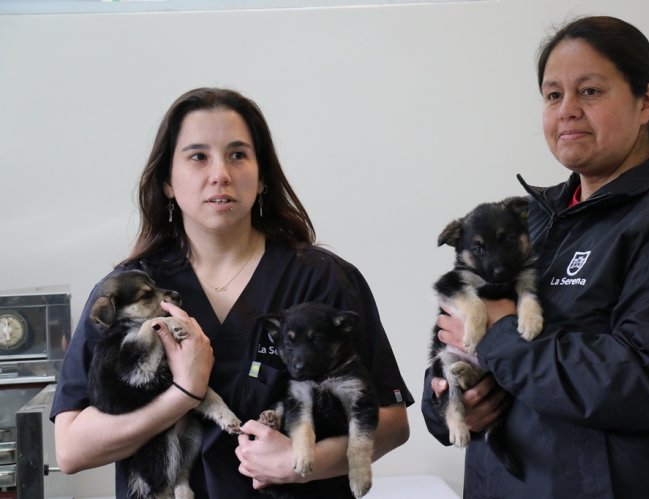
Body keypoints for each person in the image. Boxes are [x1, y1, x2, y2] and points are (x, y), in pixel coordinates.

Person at [422, 15, 649, 499]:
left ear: (647, 102)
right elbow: (457, 334)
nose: (567, 110)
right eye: (554, 95)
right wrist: (453, 402)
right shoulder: (529, 220)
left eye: (590, 91)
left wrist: (502, 341)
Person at [51, 87, 413, 498]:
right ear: (168, 181)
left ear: (261, 178)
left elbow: (392, 420)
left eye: (238, 155)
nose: (220, 173)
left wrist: (302, 464)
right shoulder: (127, 292)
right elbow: (71, 449)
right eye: (198, 156)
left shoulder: (323, 279)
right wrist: (184, 394)